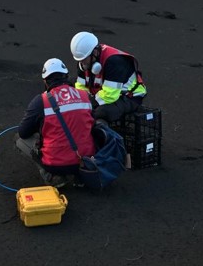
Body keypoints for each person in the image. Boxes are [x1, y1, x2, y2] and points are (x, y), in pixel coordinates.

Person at [15, 58, 97, 187]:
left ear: (45, 81)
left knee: (19, 140)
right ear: (66, 76)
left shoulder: (40, 101)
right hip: (86, 160)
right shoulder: (84, 95)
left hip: (56, 164)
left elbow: (23, 132)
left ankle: (53, 177)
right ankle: (80, 175)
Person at [70, 31, 148, 123]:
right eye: (80, 60)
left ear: (94, 52)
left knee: (100, 113)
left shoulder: (115, 62)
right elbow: (81, 86)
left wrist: (87, 104)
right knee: (69, 84)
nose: (82, 63)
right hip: (103, 92)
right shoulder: (84, 60)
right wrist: (80, 100)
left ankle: (104, 135)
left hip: (129, 97)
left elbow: (110, 96)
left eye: (84, 60)